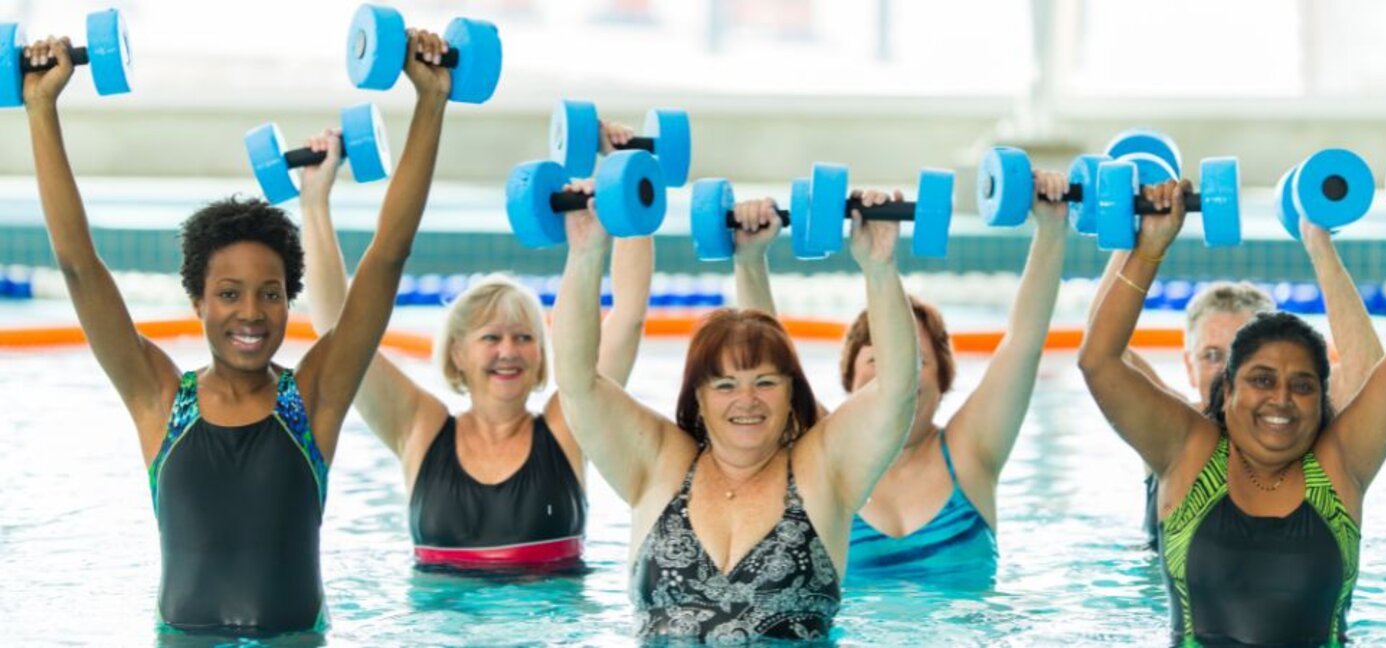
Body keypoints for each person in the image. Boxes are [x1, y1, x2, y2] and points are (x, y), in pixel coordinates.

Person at [24, 30, 450, 635]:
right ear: (197, 300)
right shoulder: (160, 400)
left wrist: (430, 103)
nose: (251, 313)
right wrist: (42, 108)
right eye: (229, 294)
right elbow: (76, 263)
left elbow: (387, 256)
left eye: (270, 294)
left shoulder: (313, 400)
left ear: (287, 302)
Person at [1078, 179, 1386, 646]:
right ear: (1227, 390)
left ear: (1322, 399)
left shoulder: (1338, 467)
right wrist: (1149, 246)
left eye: (1303, 385)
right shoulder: (1189, 452)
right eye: (1262, 380)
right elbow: (1099, 360)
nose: (1282, 400)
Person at [551, 189, 919, 642]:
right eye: (725, 386)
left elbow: (897, 392)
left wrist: (879, 267)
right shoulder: (660, 464)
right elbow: (577, 382)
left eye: (766, 383)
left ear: (791, 394)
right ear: (698, 399)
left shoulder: (822, 470)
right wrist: (586, 253)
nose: (747, 401)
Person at [298, 128, 652, 569]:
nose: (510, 351)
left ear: (542, 355)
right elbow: (337, 328)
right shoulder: (419, 428)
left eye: (524, 338)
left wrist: (626, 179)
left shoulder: (569, 426)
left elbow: (628, 318)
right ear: (456, 355)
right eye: (492, 338)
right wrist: (314, 201)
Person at [728, 173, 1069, 584]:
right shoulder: (825, 453)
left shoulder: (970, 450)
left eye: (915, 362)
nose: (896, 378)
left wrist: (1051, 229)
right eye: (876, 361)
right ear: (850, 382)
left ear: (944, 380)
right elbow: (771, 362)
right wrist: (749, 260)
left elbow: (1023, 344)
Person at [1089, 218, 1382, 550]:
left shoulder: (1303, 431)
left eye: (1240, 359)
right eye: (1212, 356)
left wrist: (1319, 242)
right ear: (1188, 365)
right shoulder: (1169, 432)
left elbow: (1369, 375)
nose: (1225, 375)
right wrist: (1133, 234)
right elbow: (1102, 349)